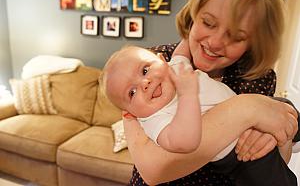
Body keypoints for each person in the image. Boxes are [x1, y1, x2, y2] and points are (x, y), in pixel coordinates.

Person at [117, 0, 300, 185]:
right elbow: (155, 170)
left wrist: (279, 136)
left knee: (288, 110)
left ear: (254, 42)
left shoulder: (256, 77)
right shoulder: (148, 67)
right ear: (194, 14)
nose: (215, 43)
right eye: (208, 23)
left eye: (236, 36)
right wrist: (248, 107)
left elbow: (269, 156)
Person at [102, 45, 298, 185]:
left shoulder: (175, 69)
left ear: (163, 60)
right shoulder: (154, 120)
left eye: (145, 70)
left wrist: (190, 35)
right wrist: (188, 95)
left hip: (254, 123)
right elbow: (183, 142)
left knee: (286, 108)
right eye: (132, 93)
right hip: (238, 155)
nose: (144, 84)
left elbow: (181, 51)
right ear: (129, 113)